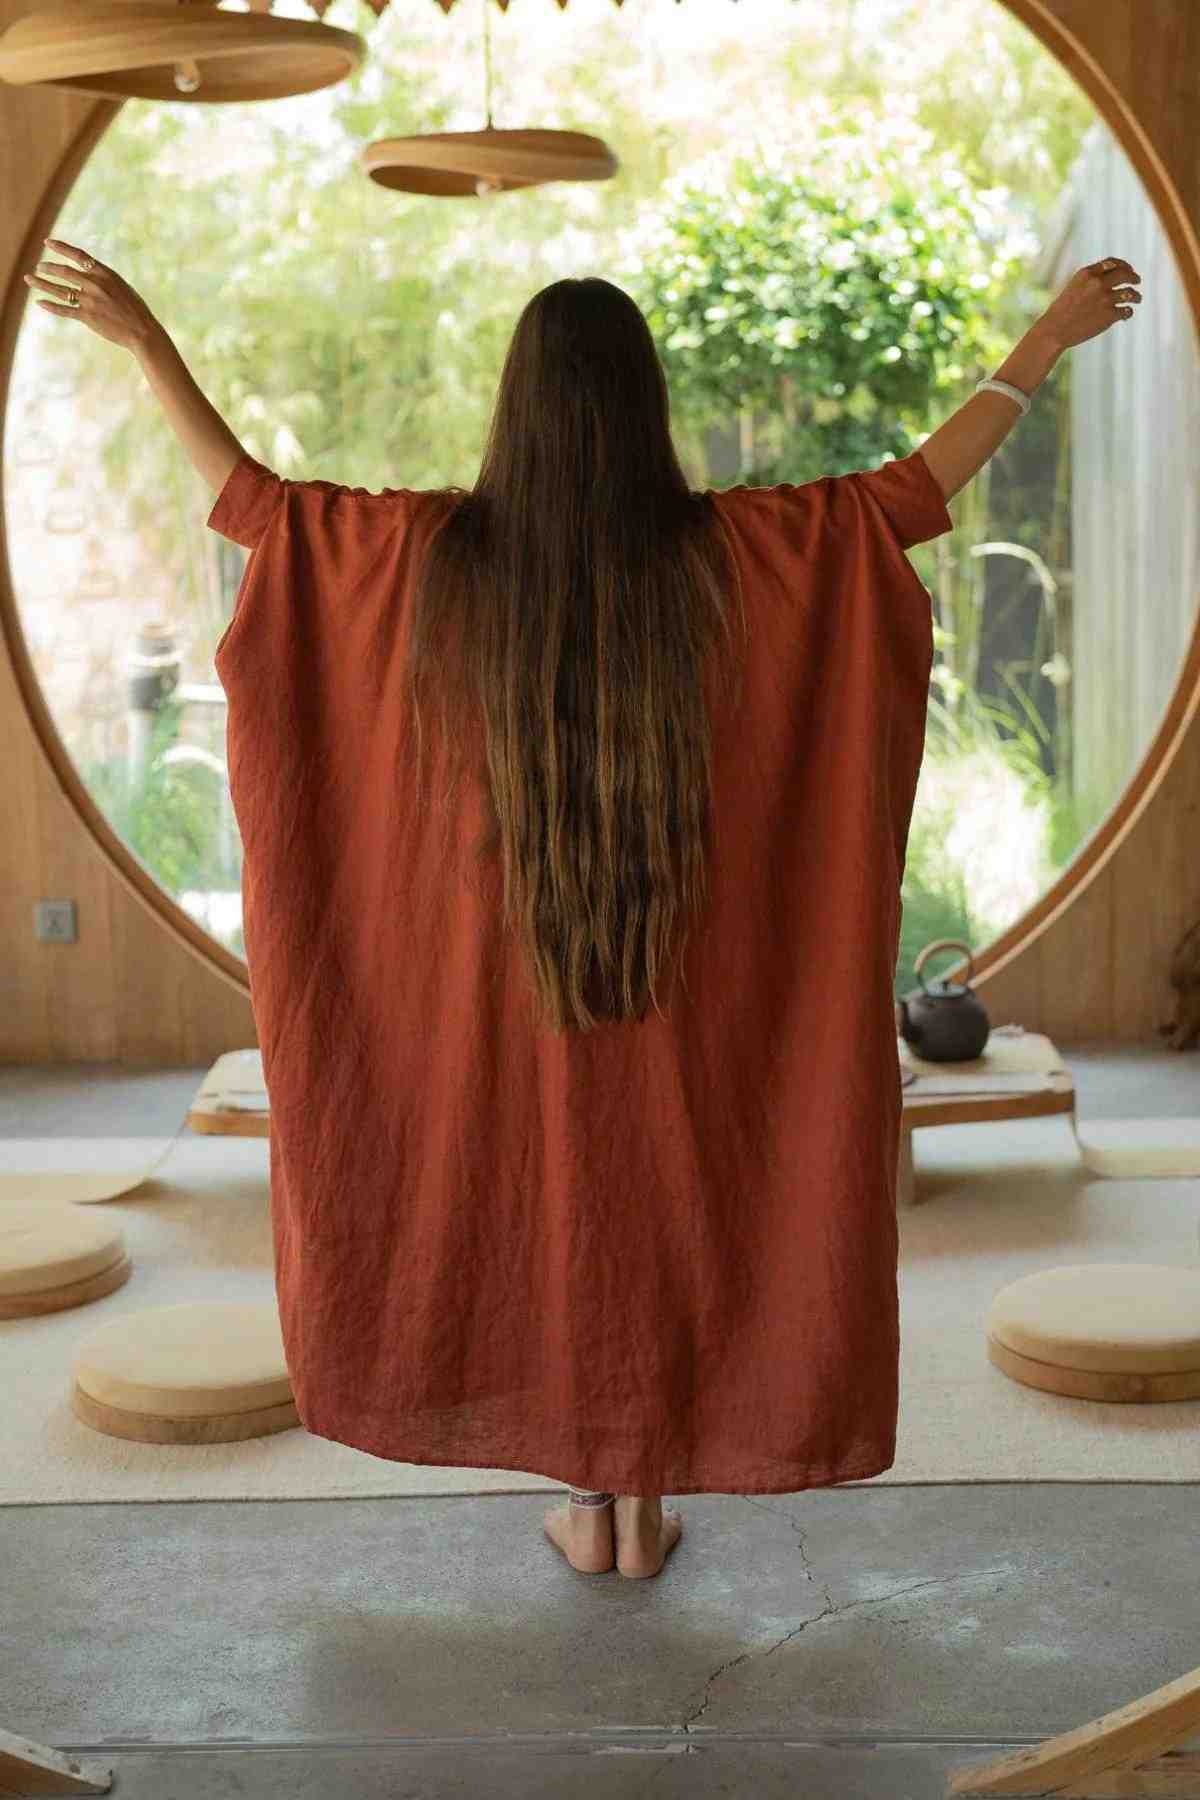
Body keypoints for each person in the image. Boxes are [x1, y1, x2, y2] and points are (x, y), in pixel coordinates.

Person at [26, 237, 1141, 1580]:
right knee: (665, 1207)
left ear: (518, 412)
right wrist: (1043, 344)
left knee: (541, 1210)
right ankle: (641, 1496)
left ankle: (593, 1504)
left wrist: (145, 340)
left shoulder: (426, 555)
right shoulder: (740, 555)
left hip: (504, 988)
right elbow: (907, 493)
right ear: (645, 408)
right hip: (688, 967)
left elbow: (259, 505)